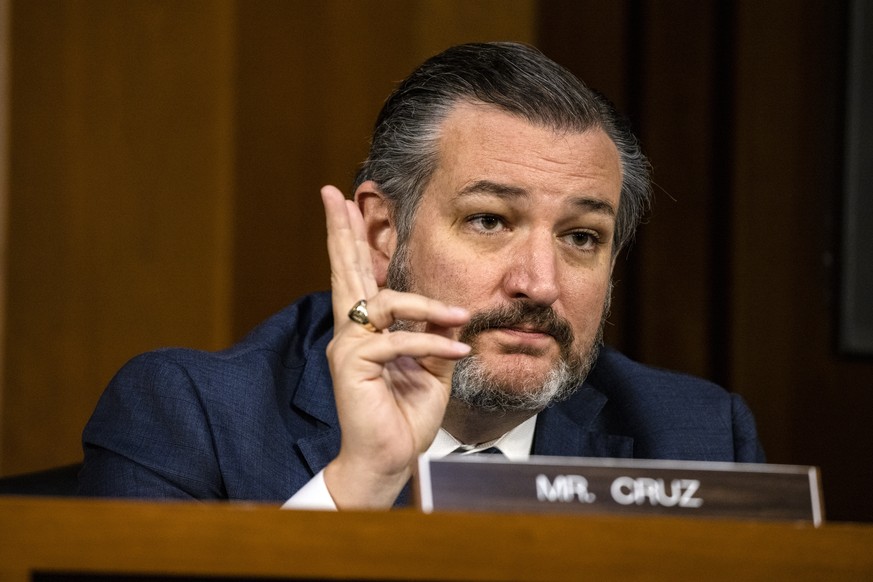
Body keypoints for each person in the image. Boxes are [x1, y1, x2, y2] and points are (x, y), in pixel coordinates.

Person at [79, 42, 764, 508]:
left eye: (581, 236)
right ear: (383, 232)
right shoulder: (190, 415)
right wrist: (361, 483)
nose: (539, 283)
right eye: (489, 220)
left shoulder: (697, 439)